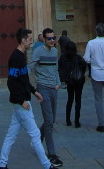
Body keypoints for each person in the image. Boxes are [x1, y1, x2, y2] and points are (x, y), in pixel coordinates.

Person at [0, 28, 57, 169]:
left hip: (22, 101)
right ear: (23, 40)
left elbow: (23, 79)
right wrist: (21, 101)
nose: (31, 41)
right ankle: (47, 165)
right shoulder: (16, 57)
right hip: (21, 103)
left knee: (11, 136)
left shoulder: (21, 56)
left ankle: (2, 164)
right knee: (35, 135)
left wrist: (34, 91)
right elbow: (11, 82)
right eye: (29, 39)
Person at [31, 28, 63, 168]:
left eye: (53, 38)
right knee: (49, 120)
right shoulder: (37, 51)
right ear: (43, 39)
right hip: (43, 87)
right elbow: (31, 66)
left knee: (51, 119)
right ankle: (51, 154)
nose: (52, 40)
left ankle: (36, 139)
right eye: (49, 38)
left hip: (53, 88)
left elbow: (56, 68)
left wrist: (58, 82)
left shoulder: (55, 51)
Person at [58, 41, 86, 128]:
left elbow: (60, 68)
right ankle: (77, 121)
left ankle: (68, 120)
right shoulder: (78, 58)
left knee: (70, 99)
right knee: (78, 101)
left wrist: (64, 79)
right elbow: (83, 69)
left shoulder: (63, 57)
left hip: (69, 81)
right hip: (78, 82)